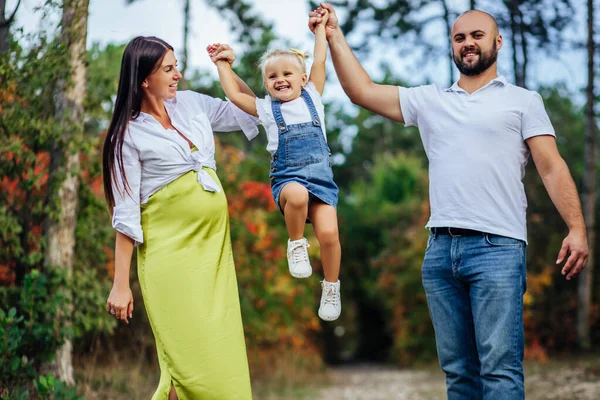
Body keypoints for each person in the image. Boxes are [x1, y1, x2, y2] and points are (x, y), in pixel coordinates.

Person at [309, 4, 589, 399]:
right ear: (452, 47)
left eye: (477, 35)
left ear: (497, 42)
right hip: (440, 251)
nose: (468, 43)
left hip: (498, 248)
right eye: (459, 38)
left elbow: (551, 168)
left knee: (499, 370)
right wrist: (334, 35)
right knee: (458, 374)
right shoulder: (430, 101)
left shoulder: (524, 101)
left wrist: (577, 228)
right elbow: (362, 92)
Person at [102, 36, 257, 400]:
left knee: (217, 359)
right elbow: (126, 215)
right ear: (144, 79)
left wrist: (225, 68)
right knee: (185, 365)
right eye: (169, 69)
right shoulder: (128, 134)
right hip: (168, 261)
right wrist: (120, 284)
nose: (178, 75)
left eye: (176, 66)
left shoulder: (191, 105)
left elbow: (248, 109)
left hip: (214, 257)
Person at [206, 9, 342, 322]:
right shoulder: (266, 110)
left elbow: (319, 59)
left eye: (287, 74)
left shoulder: (314, 97)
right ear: (267, 84)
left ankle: (332, 286)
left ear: (303, 79)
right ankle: (296, 243)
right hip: (288, 180)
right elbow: (233, 93)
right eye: (272, 76)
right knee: (297, 196)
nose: (280, 79)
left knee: (330, 234)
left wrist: (320, 30)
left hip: (322, 183)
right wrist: (223, 64)